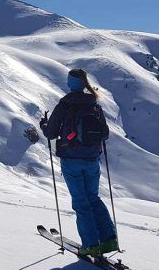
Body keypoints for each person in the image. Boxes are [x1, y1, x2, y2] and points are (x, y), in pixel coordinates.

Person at [39, 68, 119, 256]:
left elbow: (50, 133)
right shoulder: (94, 105)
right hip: (92, 160)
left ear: (69, 84)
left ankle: (90, 245)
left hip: (71, 160)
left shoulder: (65, 105)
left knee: (81, 202)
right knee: (93, 198)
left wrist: (44, 124)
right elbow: (105, 134)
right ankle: (109, 239)